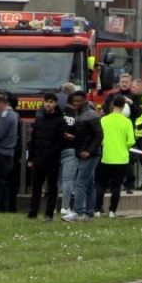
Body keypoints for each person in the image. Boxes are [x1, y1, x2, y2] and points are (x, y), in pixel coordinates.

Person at [27, 92, 66, 221]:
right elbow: (33, 139)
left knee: (52, 187)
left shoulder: (60, 120)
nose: (48, 104)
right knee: (36, 187)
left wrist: (51, 152)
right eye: (46, 101)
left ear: (55, 104)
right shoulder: (39, 118)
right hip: (38, 158)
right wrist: (31, 157)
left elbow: (60, 141)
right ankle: (33, 212)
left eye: (51, 102)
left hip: (52, 159)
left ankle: (49, 213)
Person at [95, 94, 135, 218]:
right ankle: (112, 211)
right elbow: (131, 141)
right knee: (116, 186)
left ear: (112, 105)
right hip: (122, 158)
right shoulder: (127, 121)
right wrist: (124, 147)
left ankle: (97, 209)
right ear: (124, 106)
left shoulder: (104, 120)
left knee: (101, 184)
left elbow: (100, 138)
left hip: (106, 157)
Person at [63, 96, 103, 222]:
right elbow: (86, 136)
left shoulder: (90, 115)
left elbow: (99, 134)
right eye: (74, 101)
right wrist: (73, 138)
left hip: (88, 154)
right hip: (85, 153)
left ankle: (77, 212)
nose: (76, 103)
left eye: (78, 101)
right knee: (89, 184)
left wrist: (88, 151)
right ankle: (88, 213)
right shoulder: (80, 114)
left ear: (85, 101)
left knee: (80, 182)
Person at [59, 90, 82, 215]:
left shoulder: (59, 114)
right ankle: (65, 206)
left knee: (56, 179)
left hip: (57, 148)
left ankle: (52, 205)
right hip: (71, 149)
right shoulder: (77, 115)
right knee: (68, 179)